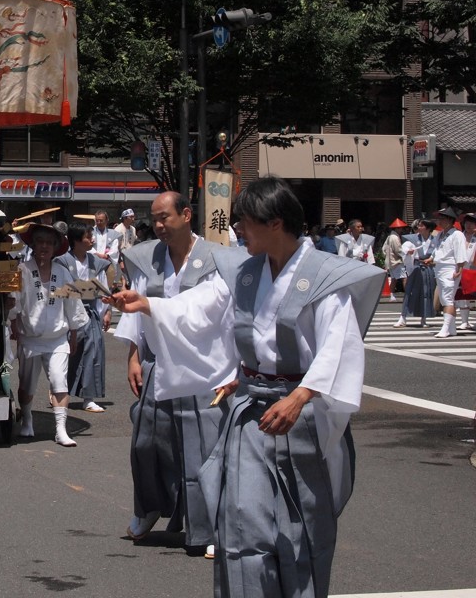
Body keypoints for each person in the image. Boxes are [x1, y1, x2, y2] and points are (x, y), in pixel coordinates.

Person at [108, 176, 385, 598]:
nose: (239, 231)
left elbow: (338, 348)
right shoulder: (246, 270)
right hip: (253, 411)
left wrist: (301, 395)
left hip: (302, 417)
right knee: (240, 519)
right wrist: (149, 304)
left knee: (299, 526)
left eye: (246, 223)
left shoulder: (323, 278)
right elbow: (201, 307)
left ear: (275, 223)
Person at [114, 190, 227, 557]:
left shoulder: (214, 259)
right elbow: (136, 307)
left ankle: (208, 526)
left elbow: (218, 317)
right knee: (147, 442)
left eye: (165, 217)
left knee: (202, 449)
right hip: (157, 362)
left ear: (187, 215)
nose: (159, 225)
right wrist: (133, 356)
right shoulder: (149, 258)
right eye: (155, 219)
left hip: (199, 367)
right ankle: (148, 508)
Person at [9, 222, 88, 447]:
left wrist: (74, 333)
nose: (44, 246)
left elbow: (73, 305)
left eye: (49, 243)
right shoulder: (22, 270)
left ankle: (61, 430)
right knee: (27, 384)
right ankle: (27, 420)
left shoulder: (63, 272)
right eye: (40, 242)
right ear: (33, 245)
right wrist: (13, 321)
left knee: (59, 381)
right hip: (30, 337)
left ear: (55, 247)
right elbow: (15, 300)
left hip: (57, 338)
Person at [59, 224, 112, 413]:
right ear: (75, 240)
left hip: (90, 313)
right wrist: (84, 290)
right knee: (66, 354)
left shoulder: (96, 262)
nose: (92, 240)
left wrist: (106, 311)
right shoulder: (62, 262)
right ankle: (58, 390)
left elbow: (103, 289)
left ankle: (88, 397)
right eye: (88, 237)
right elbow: (60, 289)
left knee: (93, 352)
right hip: (67, 313)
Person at [426, 207, 467, 338]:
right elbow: (436, 250)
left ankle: (445, 328)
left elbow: (460, 253)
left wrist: (459, 269)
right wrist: (431, 258)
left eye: (442, 218)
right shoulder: (439, 234)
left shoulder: (457, 234)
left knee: (447, 298)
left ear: (449, 220)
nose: (439, 221)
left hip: (450, 268)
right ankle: (452, 327)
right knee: (445, 298)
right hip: (439, 268)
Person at [395, 219, 436, 328]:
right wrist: (408, 252)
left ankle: (424, 318)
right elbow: (403, 249)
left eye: (421, 225)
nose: (419, 227)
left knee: (427, 293)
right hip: (415, 268)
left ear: (428, 228)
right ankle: (403, 317)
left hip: (428, 269)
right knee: (409, 291)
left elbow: (438, 254)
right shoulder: (412, 238)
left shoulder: (435, 240)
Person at [458, 212, 476, 330]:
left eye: (471, 223)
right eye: (466, 223)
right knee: (462, 296)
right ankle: (464, 321)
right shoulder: (459, 236)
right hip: (461, 268)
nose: (468, 225)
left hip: (474, 268)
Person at [382, 218, 408, 300]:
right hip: (396, 261)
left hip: (391, 260)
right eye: (400, 228)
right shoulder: (395, 237)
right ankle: (407, 294)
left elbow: (383, 249)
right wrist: (406, 254)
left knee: (394, 279)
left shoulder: (390, 236)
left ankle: (392, 295)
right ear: (396, 228)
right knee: (404, 277)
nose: (401, 230)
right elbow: (398, 250)